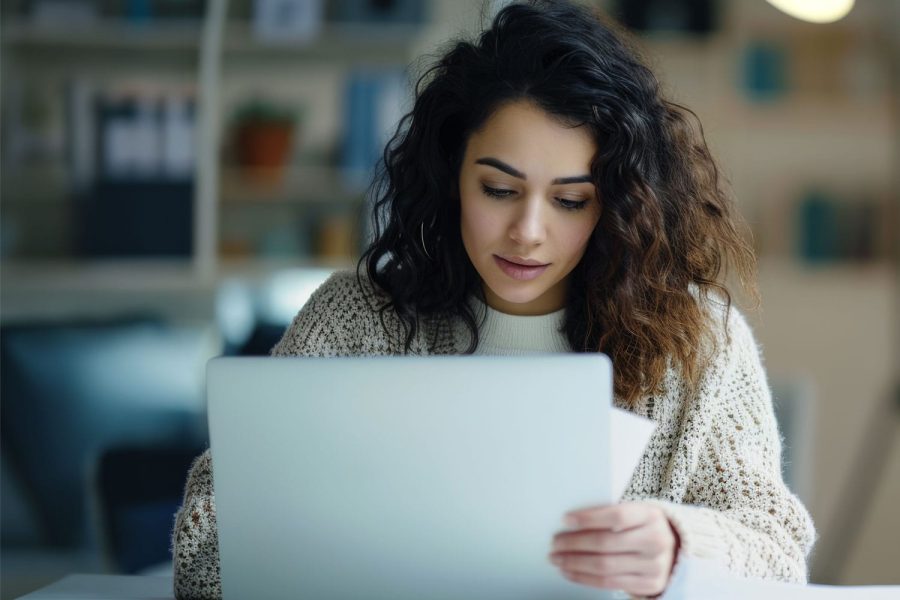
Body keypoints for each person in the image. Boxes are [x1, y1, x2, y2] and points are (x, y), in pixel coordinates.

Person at [171, 1, 816, 598]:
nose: (528, 233)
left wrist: (678, 548)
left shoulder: (698, 339)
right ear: (451, 176)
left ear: (619, 206)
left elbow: (780, 552)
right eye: (499, 190)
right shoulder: (356, 321)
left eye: (570, 201)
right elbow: (202, 555)